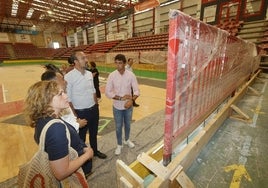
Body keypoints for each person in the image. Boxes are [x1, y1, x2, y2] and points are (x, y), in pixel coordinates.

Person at [24, 80, 94, 180]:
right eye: (60, 94)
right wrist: (87, 155)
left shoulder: (43, 119)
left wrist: (82, 147)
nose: (66, 96)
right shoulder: (56, 128)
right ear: (46, 100)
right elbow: (61, 172)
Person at [64, 50, 107, 159]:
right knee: (81, 137)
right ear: (76, 62)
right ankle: (82, 157)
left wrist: (96, 106)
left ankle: (95, 151)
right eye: (83, 58)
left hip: (93, 109)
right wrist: (76, 116)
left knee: (93, 133)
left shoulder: (88, 73)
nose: (86, 60)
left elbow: (93, 90)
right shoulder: (69, 77)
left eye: (85, 57)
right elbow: (68, 99)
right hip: (80, 112)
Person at [105, 54, 140, 155]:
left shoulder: (131, 75)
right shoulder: (112, 75)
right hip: (117, 106)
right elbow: (108, 92)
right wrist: (120, 98)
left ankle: (127, 140)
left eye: (120, 63)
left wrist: (131, 101)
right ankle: (119, 144)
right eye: (116, 63)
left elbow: (137, 91)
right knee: (118, 126)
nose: (117, 65)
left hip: (128, 107)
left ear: (124, 64)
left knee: (128, 125)